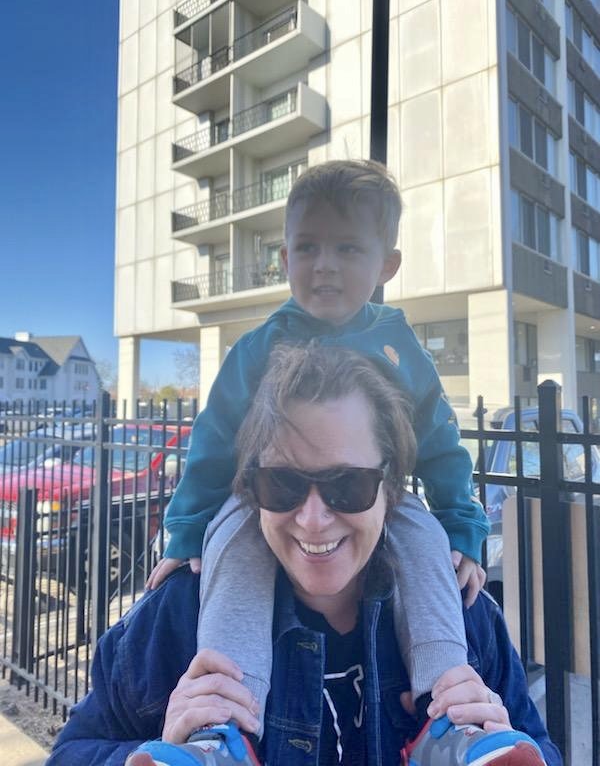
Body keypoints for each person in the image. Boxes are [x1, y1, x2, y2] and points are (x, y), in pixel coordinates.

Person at [47, 345, 560, 765]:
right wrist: (153, 748)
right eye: (282, 483)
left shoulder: (464, 619)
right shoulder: (178, 620)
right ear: (250, 489)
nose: (313, 519)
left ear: (390, 488)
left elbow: (543, 751)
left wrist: (502, 731)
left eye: (348, 485)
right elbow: (72, 752)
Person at [147, 160, 490, 738]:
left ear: (386, 265)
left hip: (372, 493)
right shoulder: (260, 347)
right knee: (231, 539)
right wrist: (184, 532)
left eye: (349, 249)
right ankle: (224, 724)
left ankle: (449, 711)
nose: (325, 265)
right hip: (268, 494)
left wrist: (460, 524)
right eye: (307, 248)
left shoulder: (398, 346)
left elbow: (439, 441)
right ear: (284, 260)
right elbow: (212, 443)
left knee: (426, 538)